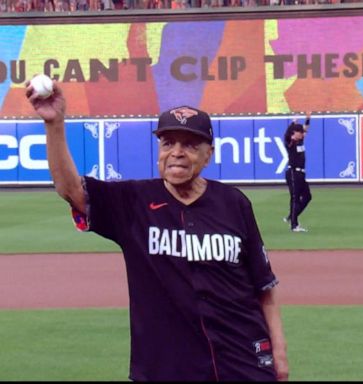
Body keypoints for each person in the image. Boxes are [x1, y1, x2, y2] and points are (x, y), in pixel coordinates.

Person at [25, 80, 289, 382]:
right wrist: (55, 124)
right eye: (168, 143)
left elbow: (263, 287)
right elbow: (71, 189)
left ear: (208, 155)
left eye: (189, 144)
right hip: (166, 367)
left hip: (243, 362)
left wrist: (278, 351)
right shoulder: (132, 202)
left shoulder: (234, 203)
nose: (177, 152)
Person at [283, 112, 312, 232]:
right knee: (295, 198)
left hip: (301, 173)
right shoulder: (290, 142)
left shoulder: (300, 141)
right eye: (299, 132)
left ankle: (291, 217)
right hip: (293, 173)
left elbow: (305, 129)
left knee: (307, 196)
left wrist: (307, 119)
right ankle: (294, 225)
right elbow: (287, 134)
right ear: (294, 133)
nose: (303, 133)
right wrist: (293, 123)